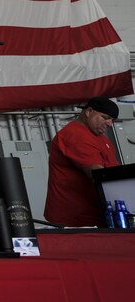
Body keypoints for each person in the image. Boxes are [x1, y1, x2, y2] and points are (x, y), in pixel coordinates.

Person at [44, 97, 119, 227]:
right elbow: (99, 174)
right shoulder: (75, 134)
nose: (109, 123)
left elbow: (115, 171)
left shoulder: (102, 139)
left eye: (112, 120)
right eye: (105, 117)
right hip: (76, 219)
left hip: (98, 215)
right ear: (89, 112)